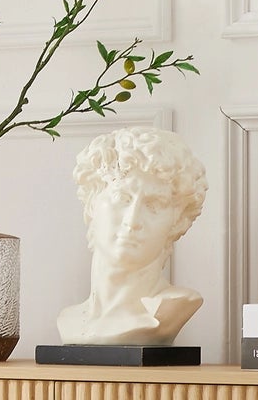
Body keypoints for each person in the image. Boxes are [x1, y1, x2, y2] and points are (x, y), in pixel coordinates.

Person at [56, 126, 207, 345]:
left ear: (177, 222)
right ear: (91, 205)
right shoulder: (68, 319)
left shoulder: (171, 308)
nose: (133, 220)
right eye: (122, 198)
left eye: (154, 204)